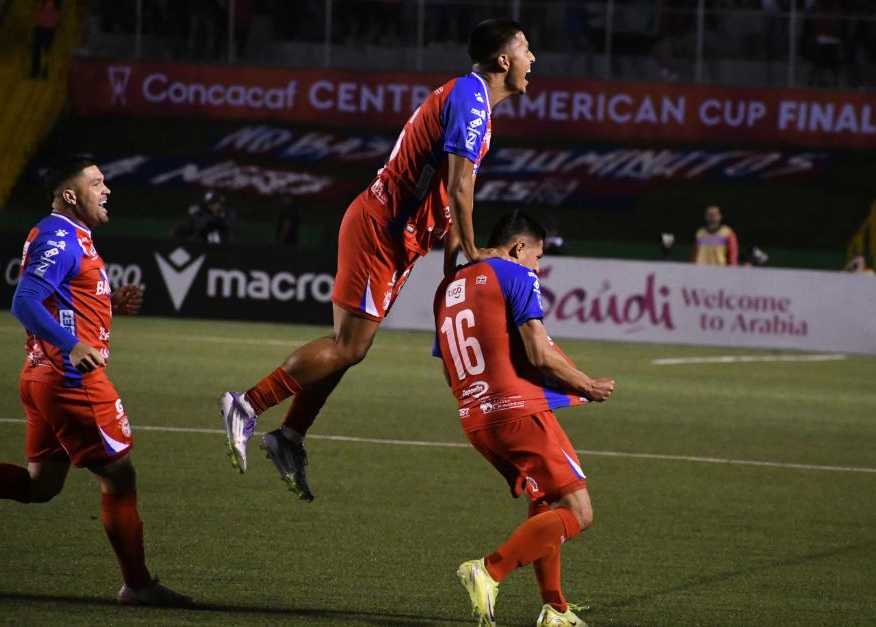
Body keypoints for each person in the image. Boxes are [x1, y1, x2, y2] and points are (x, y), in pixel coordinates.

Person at [219, 19, 537, 502]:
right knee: (349, 347)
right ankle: (246, 406)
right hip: (381, 229)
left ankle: (290, 436)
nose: (533, 60)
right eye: (526, 50)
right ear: (503, 60)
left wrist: (454, 268)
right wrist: (475, 253)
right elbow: (459, 188)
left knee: (349, 349)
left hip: (395, 236)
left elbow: (448, 198)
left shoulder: (471, 102)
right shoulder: (472, 102)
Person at [0, 156, 192, 607]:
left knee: (41, 486)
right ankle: (138, 586)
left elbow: (65, 299)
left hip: (41, 377)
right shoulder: (59, 236)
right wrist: (70, 344)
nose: (107, 190)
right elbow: (25, 300)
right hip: (71, 381)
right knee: (120, 477)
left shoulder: (72, 237)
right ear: (70, 195)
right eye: (97, 183)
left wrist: (106, 308)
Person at [431, 211, 615, 627]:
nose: (538, 266)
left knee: (544, 500)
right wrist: (586, 385)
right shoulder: (516, 276)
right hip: (518, 411)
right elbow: (538, 353)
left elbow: (448, 366)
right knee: (578, 511)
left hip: (476, 419)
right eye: (538, 256)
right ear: (519, 247)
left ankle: (556, 610)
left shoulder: (447, 288)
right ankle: (489, 569)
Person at [172, 190, 237, 244]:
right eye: (209, 203)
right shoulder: (200, 212)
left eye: (214, 203)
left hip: (225, 248)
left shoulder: (228, 212)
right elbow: (197, 226)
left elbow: (229, 225)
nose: (212, 206)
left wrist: (218, 217)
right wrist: (211, 219)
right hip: (203, 247)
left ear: (220, 203)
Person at [30, 0, 60, 79]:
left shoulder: (54, 2)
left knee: (47, 50)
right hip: (40, 26)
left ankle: (44, 71)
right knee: (37, 50)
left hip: (49, 28)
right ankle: (35, 71)